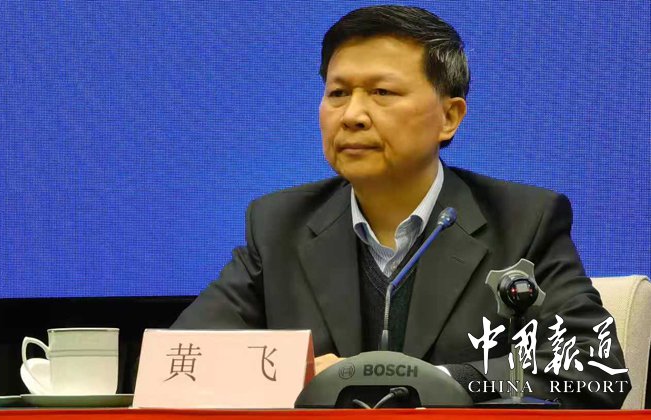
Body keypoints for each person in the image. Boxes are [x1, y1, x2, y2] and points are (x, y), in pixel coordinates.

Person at [172, 5, 630, 408]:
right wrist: (295, 375)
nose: (352, 115)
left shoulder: (523, 221)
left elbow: (593, 370)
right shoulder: (278, 224)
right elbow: (180, 363)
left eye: (382, 93)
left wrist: (426, 384)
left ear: (449, 117)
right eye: (338, 93)